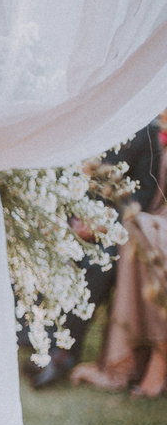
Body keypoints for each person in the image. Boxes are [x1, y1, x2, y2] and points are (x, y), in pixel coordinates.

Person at [24, 121, 163, 389]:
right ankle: (36, 340)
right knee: (41, 246)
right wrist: (63, 217)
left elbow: (145, 193)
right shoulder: (91, 117)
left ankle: (62, 354)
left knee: (99, 260)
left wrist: (101, 224)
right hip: (70, 217)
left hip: (111, 228)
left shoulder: (146, 131)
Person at [71, 129, 167, 398]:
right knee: (136, 229)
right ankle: (126, 358)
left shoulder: (151, 136)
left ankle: (159, 359)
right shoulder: (155, 136)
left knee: (142, 231)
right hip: (154, 217)